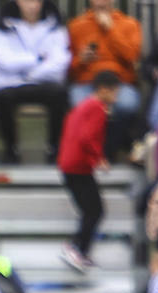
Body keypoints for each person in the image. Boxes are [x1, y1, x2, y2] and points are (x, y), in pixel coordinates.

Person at [0, 0, 70, 165]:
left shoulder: (56, 28)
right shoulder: (1, 29)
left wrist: (29, 72)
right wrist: (38, 59)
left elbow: (60, 60)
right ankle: (11, 149)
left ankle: (54, 148)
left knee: (60, 95)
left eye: (36, 1)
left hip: (44, 82)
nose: (32, 5)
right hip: (11, 83)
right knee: (2, 98)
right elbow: (4, 61)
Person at [59, 71, 121, 272]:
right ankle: (77, 249)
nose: (116, 97)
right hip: (79, 166)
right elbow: (88, 137)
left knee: (90, 210)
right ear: (104, 89)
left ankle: (78, 249)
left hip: (70, 164)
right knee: (95, 211)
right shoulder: (97, 108)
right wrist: (98, 158)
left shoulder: (84, 105)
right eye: (114, 92)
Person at [66, 0, 142, 157]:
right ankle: (88, 152)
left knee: (128, 104)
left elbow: (132, 56)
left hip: (119, 82)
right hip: (87, 82)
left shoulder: (129, 24)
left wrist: (111, 29)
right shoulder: (76, 25)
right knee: (81, 106)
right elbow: (67, 68)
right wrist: (81, 59)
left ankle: (109, 151)